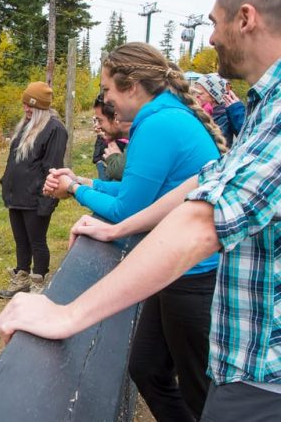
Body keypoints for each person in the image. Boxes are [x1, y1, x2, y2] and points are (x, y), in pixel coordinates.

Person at [0, 0, 281, 421]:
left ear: (246, 18)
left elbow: (200, 218)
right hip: (242, 341)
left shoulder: (164, 124)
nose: (209, 36)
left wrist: (68, 313)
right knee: (152, 368)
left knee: (191, 387)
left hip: (260, 369)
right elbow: (201, 185)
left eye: (214, 22)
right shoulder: (260, 106)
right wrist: (109, 224)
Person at [43, 42, 226, 421]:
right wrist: (84, 183)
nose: (106, 99)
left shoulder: (157, 124)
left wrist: (76, 190)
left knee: (199, 391)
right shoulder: (163, 117)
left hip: (192, 275)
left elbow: (130, 208)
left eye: (108, 89)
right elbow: (136, 192)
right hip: (173, 266)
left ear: (131, 87)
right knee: (147, 368)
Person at [0, 81, 67, 299]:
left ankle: (39, 281)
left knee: (37, 241)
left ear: (42, 107)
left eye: (31, 105)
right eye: (25, 104)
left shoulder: (55, 129)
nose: (26, 109)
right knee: (21, 241)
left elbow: (53, 168)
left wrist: (47, 200)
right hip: (16, 195)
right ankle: (22, 278)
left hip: (36, 197)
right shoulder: (26, 125)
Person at [193, 73, 246, 147]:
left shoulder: (224, 116)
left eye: (201, 94)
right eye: (194, 92)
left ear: (214, 96)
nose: (196, 96)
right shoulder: (198, 111)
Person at [93, 94, 130, 181]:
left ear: (116, 118)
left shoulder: (140, 143)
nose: (97, 126)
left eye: (100, 120)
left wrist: (115, 160)